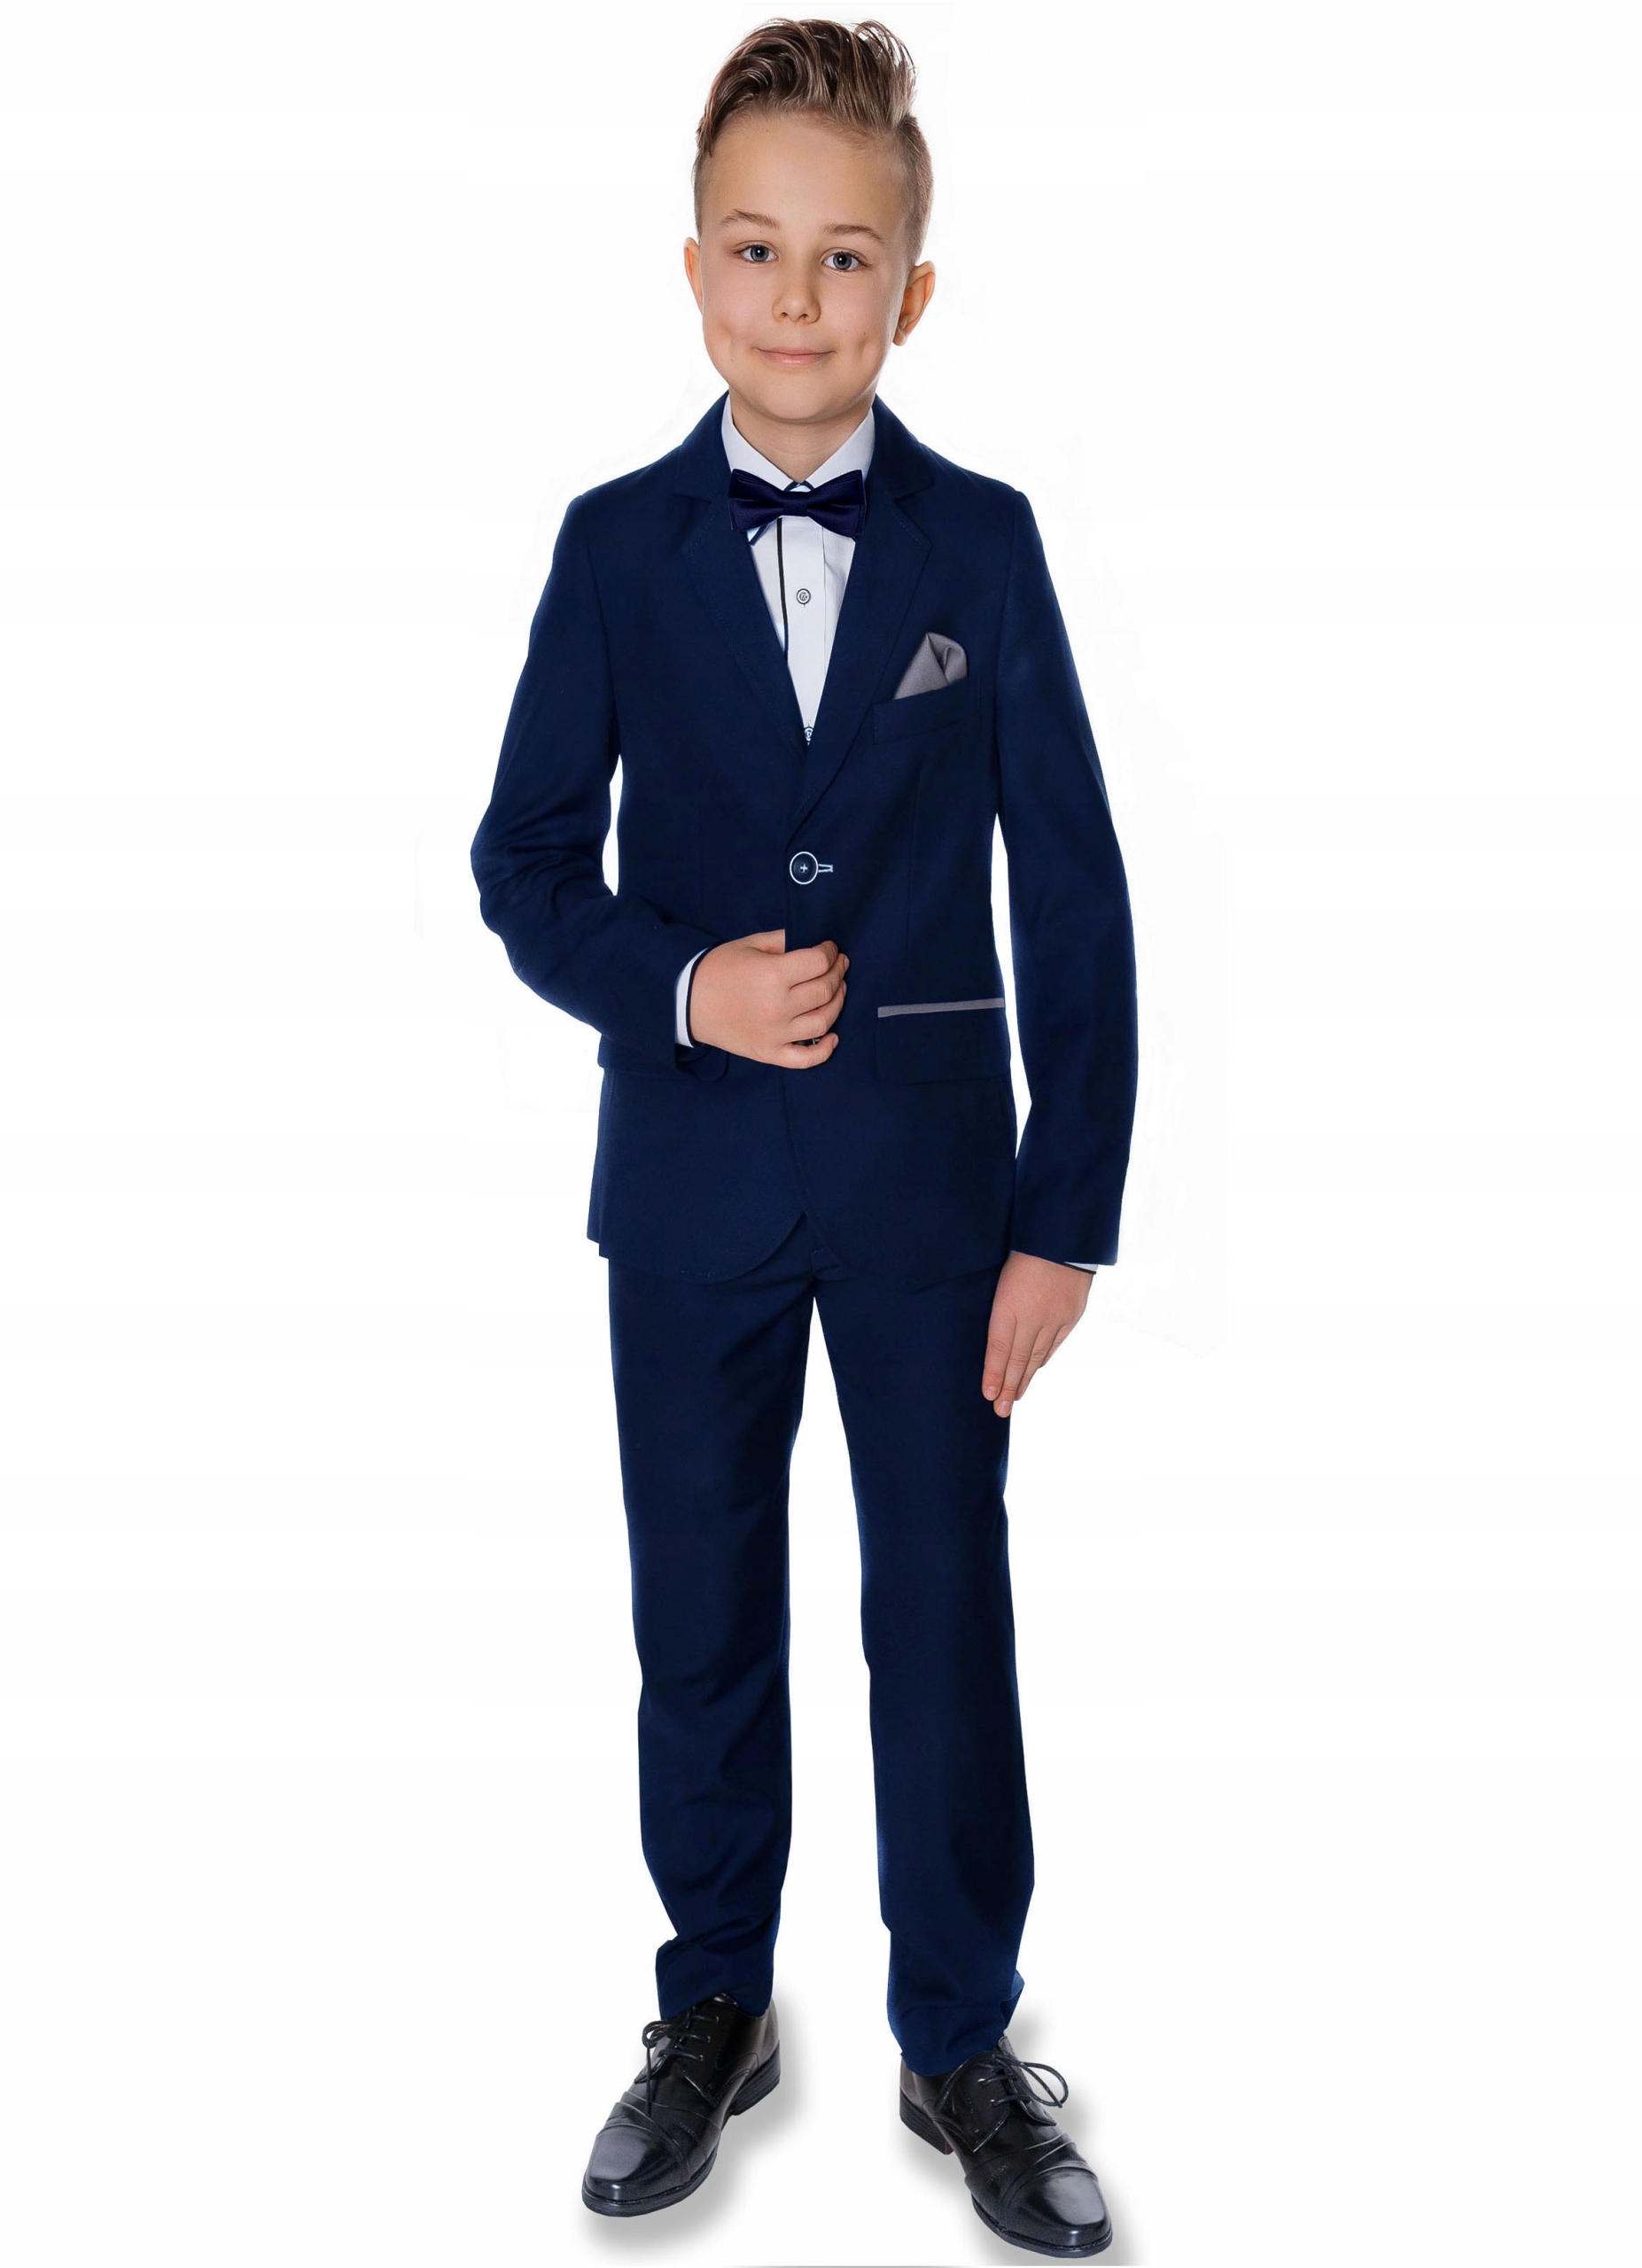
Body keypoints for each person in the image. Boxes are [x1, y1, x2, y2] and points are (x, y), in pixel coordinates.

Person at [470, 18, 1137, 2257]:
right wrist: (684, 987)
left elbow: (1075, 887)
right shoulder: (612, 547)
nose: (795, 296)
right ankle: (712, 2001)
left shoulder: (987, 545)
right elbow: (524, 860)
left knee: (943, 1613)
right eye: (754, 248)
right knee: (700, 1613)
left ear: (909, 293)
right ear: (692, 269)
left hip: (940, 1196)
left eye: (845, 258)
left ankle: (961, 2034)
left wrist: (1067, 1216)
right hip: (687, 1187)